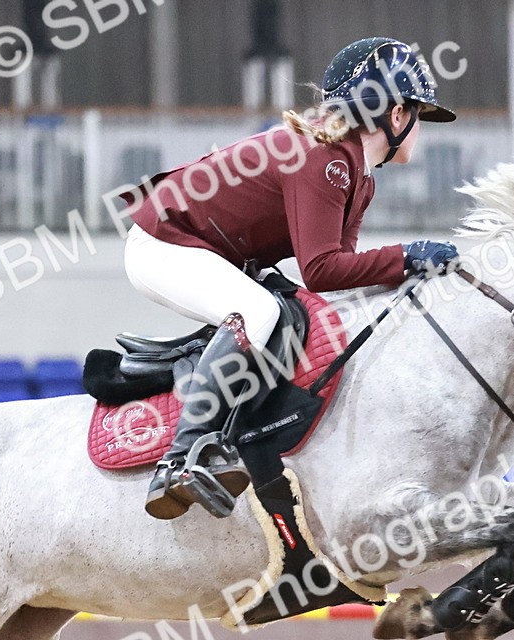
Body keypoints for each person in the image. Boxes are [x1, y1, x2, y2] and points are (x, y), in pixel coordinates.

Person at [119, 37, 462, 520]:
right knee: (258, 312)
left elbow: (341, 269)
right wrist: (406, 256)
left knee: (288, 314)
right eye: (419, 114)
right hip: (163, 244)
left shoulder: (356, 173)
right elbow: (321, 270)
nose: (420, 128)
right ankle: (179, 461)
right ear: (397, 114)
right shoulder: (325, 158)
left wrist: (407, 272)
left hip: (206, 250)